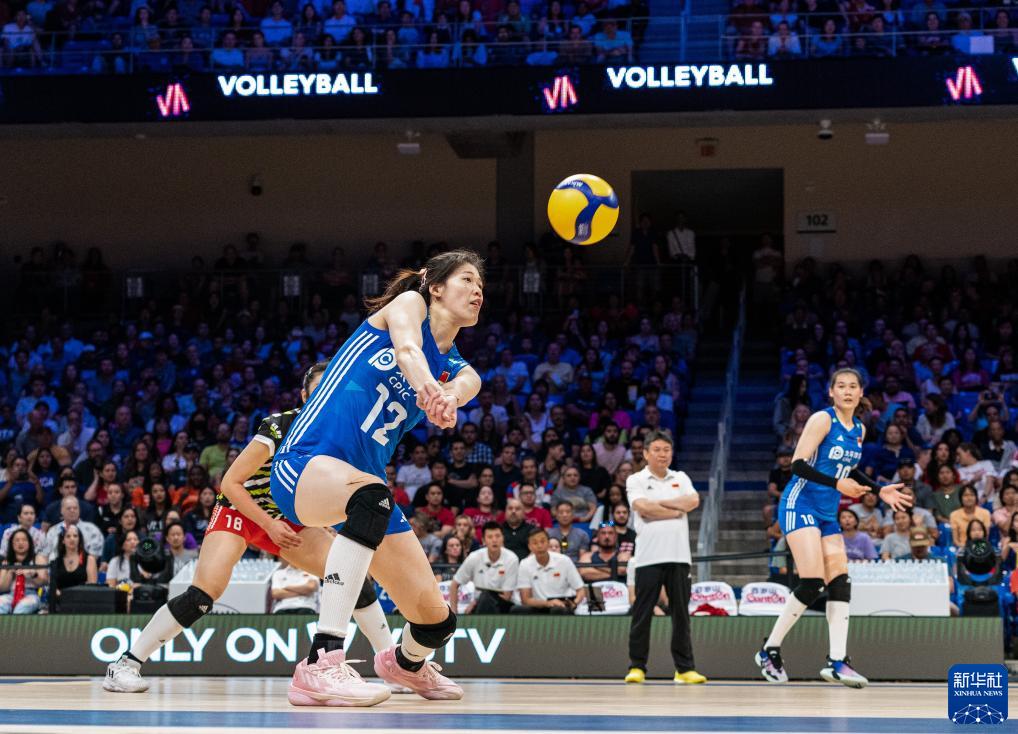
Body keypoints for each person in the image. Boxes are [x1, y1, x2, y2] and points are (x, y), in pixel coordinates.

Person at [103, 365, 406, 696]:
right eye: (317, 390)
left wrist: (326, 525)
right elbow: (230, 483)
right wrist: (268, 524)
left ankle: (393, 667)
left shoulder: (345, 436)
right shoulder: (279, 426)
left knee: (350, 577)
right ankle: (125, 665)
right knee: (202, 595)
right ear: (304, 396)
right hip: (241, 510)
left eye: (331, 390)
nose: (325, 396)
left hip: (289, 515)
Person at [268, 251, 483, 705]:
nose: (477, 290)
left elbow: (465, 386)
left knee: (436, 620)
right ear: (435, 286)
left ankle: (405, 664)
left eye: (481, 284)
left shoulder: (459, 366)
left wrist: (448, 397)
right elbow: (407, 351)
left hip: (359, 489)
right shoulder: (408, 305)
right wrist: (428, 389)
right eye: (466, 279)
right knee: (373, 494)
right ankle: (320, 662)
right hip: (303, 464)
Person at [757, 369, 910, 688]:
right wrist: (838, 484)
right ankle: (769, 650)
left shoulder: (859, 429)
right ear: (831, 392)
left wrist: (878, 489)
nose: (847, 391)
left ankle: (837, 661)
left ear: (861, 392)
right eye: (841, 386)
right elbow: (798, 464)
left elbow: (848, 468)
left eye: (853, 386)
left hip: (827, 511)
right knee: (813, 582)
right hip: (800, 503)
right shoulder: (821, 420)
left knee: (840, 581)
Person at [623, 431, 705, 685]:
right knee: (642, 613)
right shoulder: (636, 479)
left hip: (679, 557)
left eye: (666, 450)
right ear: (646, 453)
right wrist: (676, 508)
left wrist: (660, 505)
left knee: (681, 614)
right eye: (657, 450)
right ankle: (637, 667)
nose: (662, 454)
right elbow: (643, 508)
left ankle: (684, 669)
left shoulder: (681, 477)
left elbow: (693, 501)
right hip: (647, 558)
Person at [449, 521, 519, 614]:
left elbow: (507, 595)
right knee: (484, 599)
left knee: (486, 597)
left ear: (503, 538)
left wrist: (478, 600)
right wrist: (454, 613)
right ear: (483, 540)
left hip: (505, 605)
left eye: (498, 536)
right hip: (479, 604)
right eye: (490, 537)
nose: (494, 540)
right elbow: (454, 585)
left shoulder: (512, 559)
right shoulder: (474, 557)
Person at [512, 527, 585, 614]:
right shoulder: (525, 564)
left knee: (557, 610)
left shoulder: (564, 560)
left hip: (561, 606)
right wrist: (548, 603)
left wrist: (574, 604)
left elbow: (580, 590)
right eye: (535, 543)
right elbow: (525, 599)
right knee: (516, 609)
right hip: (538, 606)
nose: (539, 546)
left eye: (542, 541)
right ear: (529, 547)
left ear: (548, 543)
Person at [0, 528, 48, 614]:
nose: (20, 543)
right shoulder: (7, 561)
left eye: (24, 540)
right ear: (12, 544)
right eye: (17, 540)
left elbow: (44, 582)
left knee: (21, 608)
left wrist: (33, 575)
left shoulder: (38, 558)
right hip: (11, 594)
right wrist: (10, 572)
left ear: (30, 543)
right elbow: (2, 588)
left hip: (32, 594)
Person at [50, 525, 98, 609]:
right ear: (63, 540)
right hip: (61, 603)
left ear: (79, 539)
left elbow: (92, 586)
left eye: (75, 536)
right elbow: (54, 587)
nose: (72, 539)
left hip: (83, 603)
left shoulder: (89, 559)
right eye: (68, 536)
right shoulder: (56, 562)